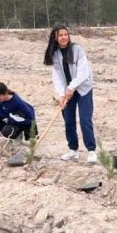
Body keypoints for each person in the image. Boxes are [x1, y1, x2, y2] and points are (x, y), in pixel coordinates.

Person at [43, 25, 97, 163]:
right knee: (68, 120)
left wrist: (72, 87)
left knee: (85, 120)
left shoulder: (77, 49)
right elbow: (57, 76)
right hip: (68, 92)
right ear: (55, 38)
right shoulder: (55, 54)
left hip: (83, 89)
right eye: (60, 35)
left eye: (65, 34)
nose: (64, 37)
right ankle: (73, 150)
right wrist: (61, 94)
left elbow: (83, 72)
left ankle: (91, 151)